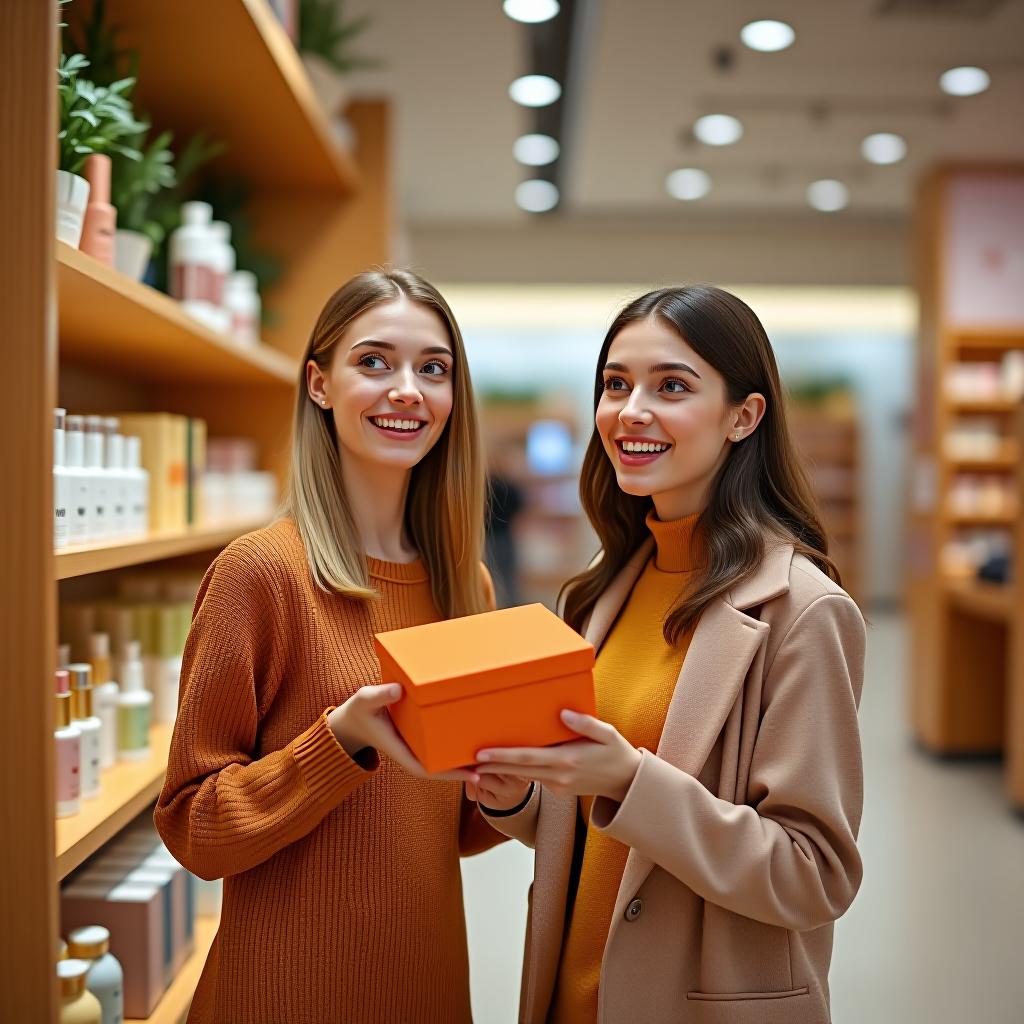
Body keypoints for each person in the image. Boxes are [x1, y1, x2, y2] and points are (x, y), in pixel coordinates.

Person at [471, 285, 865, 1024]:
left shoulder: (803, 613)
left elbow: (813, 875)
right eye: (615, 384)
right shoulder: (600, 594)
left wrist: (630, 780)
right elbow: (597, 823)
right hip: (572, 997)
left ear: (744, 417)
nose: (630, 411)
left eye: (672, 386)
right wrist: (520, 798)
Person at [156, 269, 502, 1023]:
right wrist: (338, 744)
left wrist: (520, 782)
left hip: (427, 985)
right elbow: (192, 826)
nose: (407, 389)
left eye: (433, 369)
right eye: (374, 362)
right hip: (285, 992)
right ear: (319, 384)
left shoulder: (464, 587)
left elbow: (454, 829)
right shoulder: (262, 573)